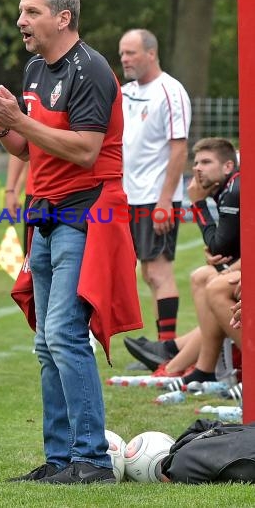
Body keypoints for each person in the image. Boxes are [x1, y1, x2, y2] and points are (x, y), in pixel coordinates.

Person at [0, 0, 142, 485]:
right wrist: (1, 124)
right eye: (20, 11)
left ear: (62, 17)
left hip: (83, 216)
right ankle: (62, 458)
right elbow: (27, 151)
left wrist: (18, 123)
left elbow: (86, 150)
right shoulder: (34, 68)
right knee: (47, 343)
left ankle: (91, 459)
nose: (21, 20)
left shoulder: (90, 69)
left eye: (30, 11)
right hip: (44, 215)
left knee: (65, 337)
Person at [125, 137, 240, 383]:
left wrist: (198, 203)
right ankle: (193, 364)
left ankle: (175, 359)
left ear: (228, 166)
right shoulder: (229, 190)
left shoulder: (234, 190)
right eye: (196, 162)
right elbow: (222, 247)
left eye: (206, 162)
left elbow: (219, 245)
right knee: (201, 276)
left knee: (217, 285)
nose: (197, 168)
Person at [119, 29, 191, 341]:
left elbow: (179, 149)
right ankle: (162, 346)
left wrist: (165, 201)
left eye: (131, 53)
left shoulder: (171, 91)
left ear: (151, 54)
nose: (125, 59)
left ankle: (167, 348)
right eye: (122, 53)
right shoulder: (124, 92)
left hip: (156, 198)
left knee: (159, 271)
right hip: (128, 197)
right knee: (147, 273)